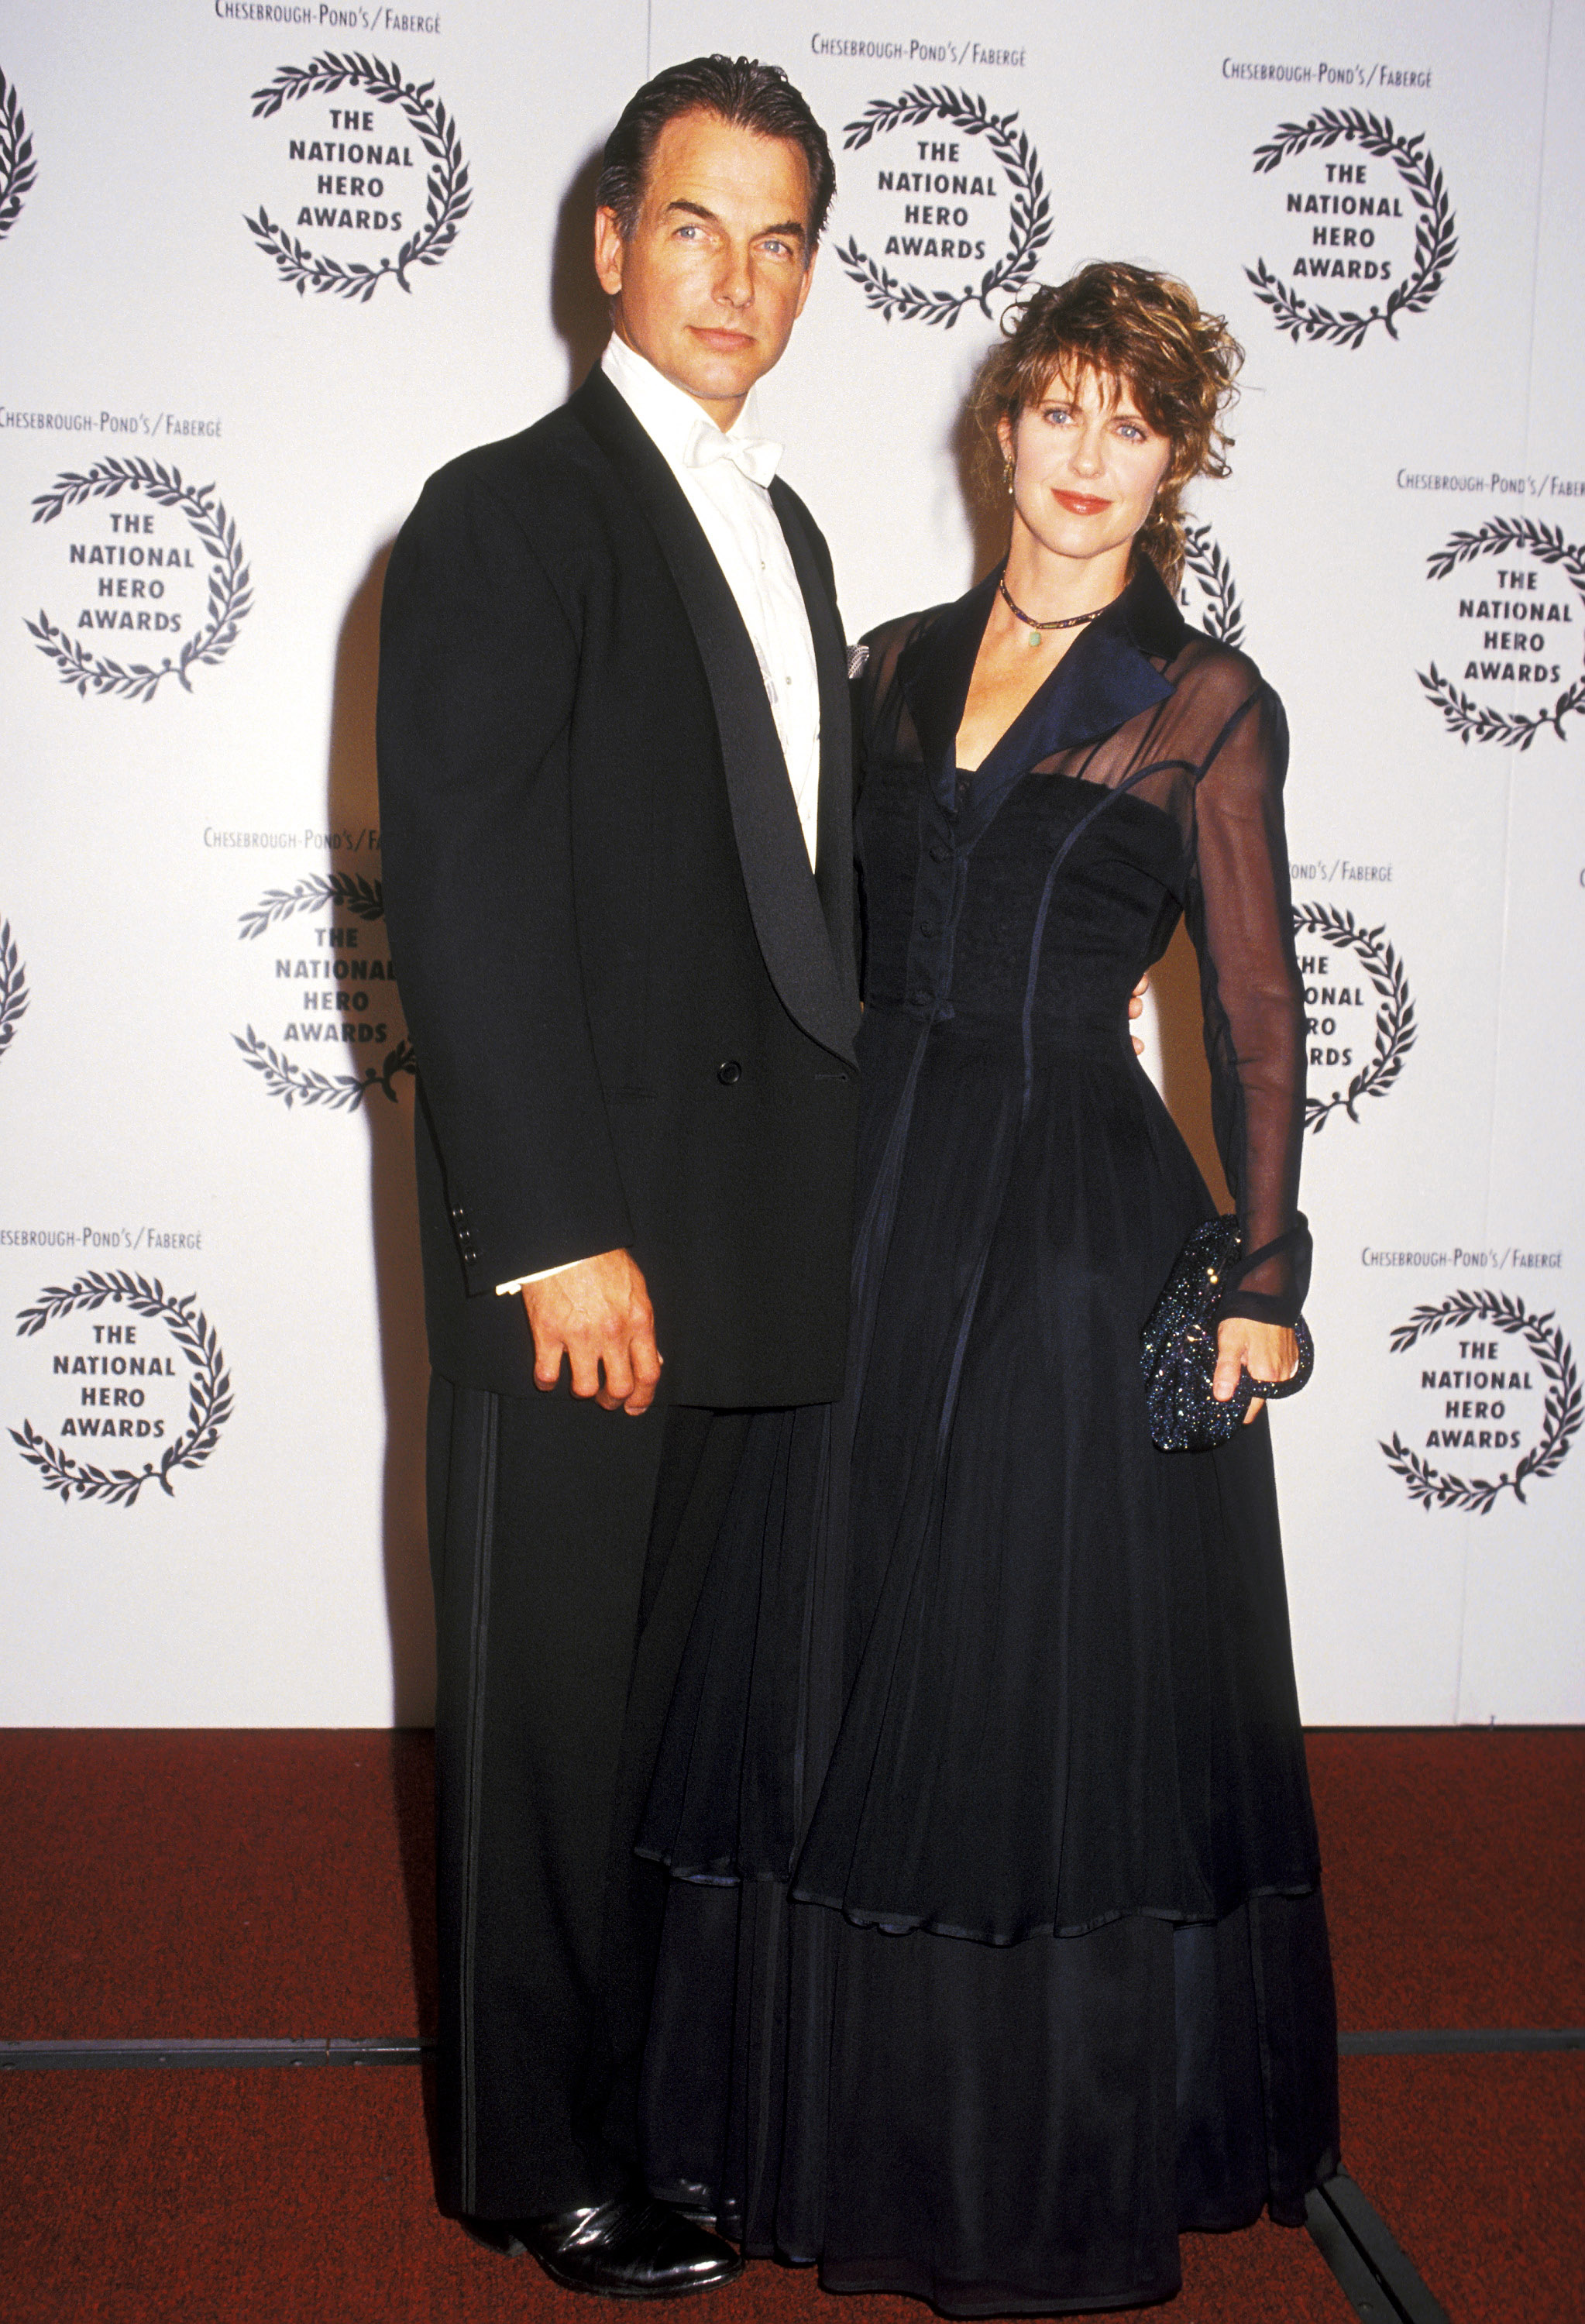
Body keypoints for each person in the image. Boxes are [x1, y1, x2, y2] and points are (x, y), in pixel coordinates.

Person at [638, 262, 1340, 2312]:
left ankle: (1005, 2173)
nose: (1091, 457)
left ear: (1175, 462)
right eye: (1063, 410)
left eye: (1137, 424)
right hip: (855, 1205)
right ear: (1002, 428)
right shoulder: (882, 664)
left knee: (1005, 1697)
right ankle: (781, 2134)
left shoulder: (1199, 700)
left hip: (1058, 1228)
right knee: (810, 1673)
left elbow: (1257, 1008)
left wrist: (1264, 1265)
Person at [376, 56, 864, 2296]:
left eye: (781, 240)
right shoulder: (503, 512)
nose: (737, 279)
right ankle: (527, 2157)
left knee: (671, 1732)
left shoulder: (792, 528)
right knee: (550, 1728)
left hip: (752, 1251)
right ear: (607, 241)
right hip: (585, 1256)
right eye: (697, 225)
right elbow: (465, 900)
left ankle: (652, 2108)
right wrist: (555, 1234)